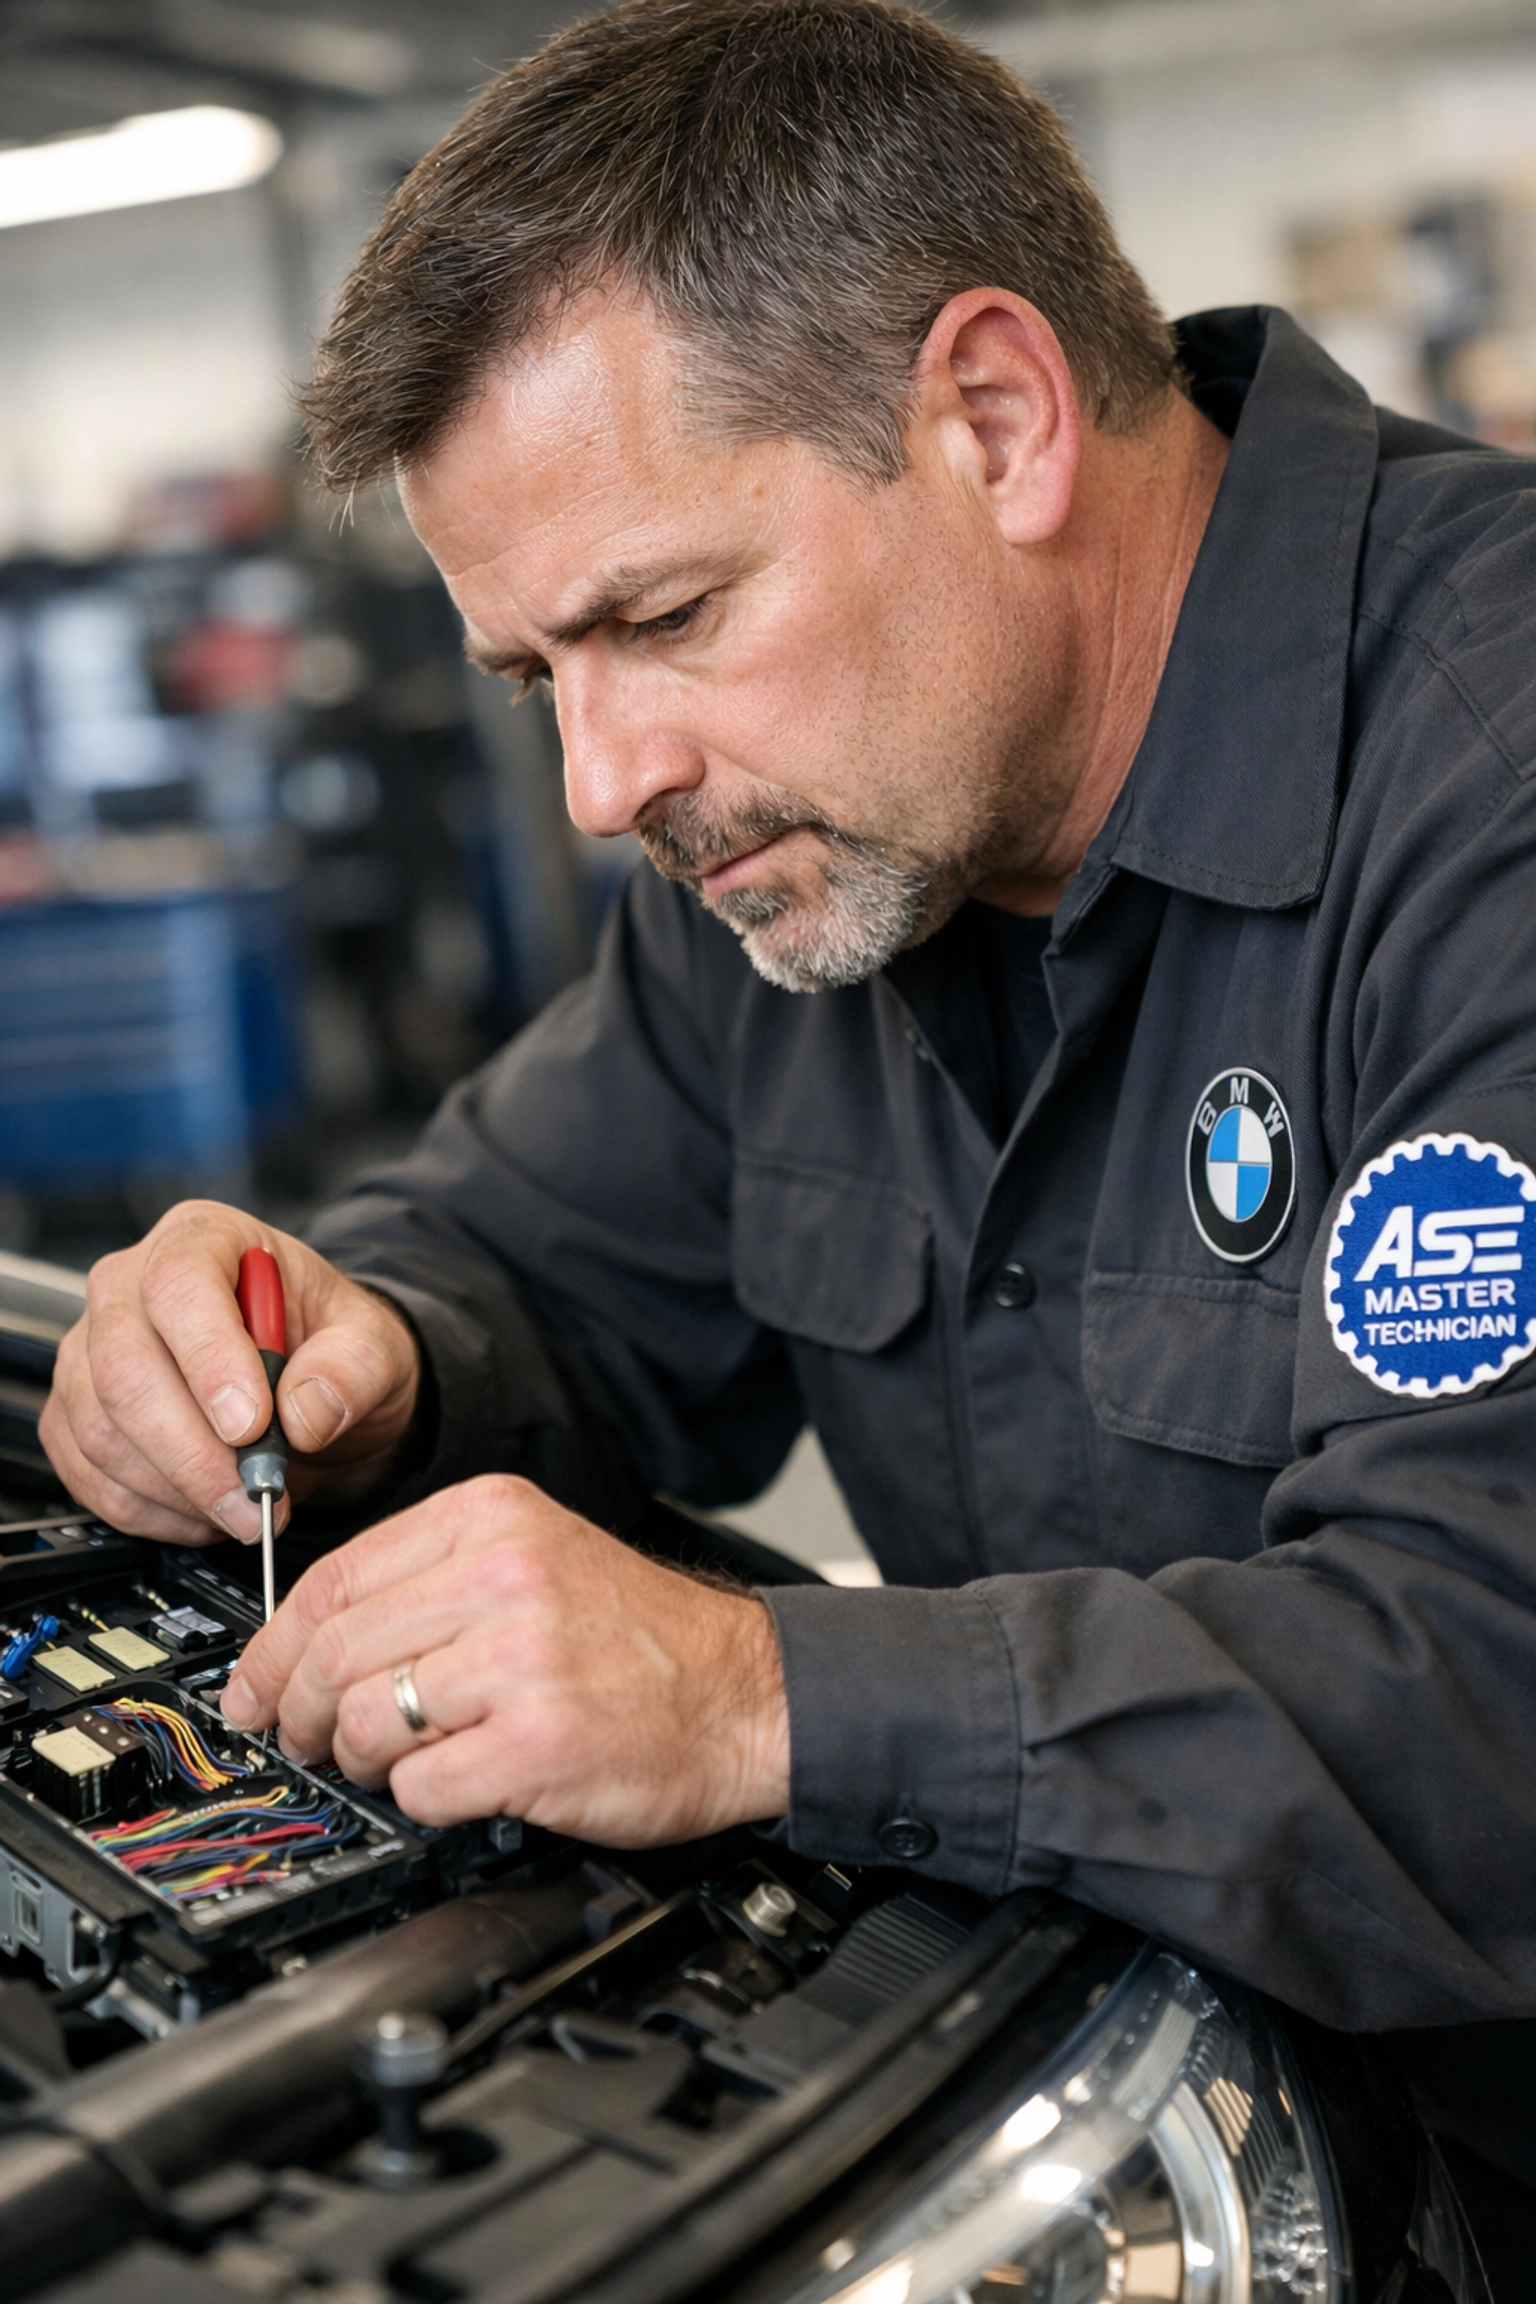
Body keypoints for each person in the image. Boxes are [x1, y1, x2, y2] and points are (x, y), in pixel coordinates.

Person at [40, 0, 1536, 2278]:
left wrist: (757, 1696)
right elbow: (522, 1258)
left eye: (660, 617)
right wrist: (339, 1352)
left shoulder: (1490, 782)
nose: (600, 782)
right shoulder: (808, 840)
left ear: (996, 419)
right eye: (539, 675)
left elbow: (1490, 1688)